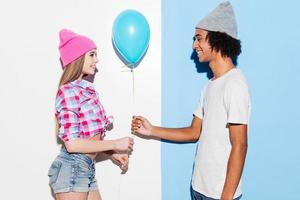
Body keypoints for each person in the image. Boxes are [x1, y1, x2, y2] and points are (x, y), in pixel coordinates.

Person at [132, 2, 251, 200]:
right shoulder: (210, 86)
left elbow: (240, 144)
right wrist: (152, 130)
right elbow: (193, 132)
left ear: (218, 39)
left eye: (199, 39)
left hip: (219, 194)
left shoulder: (235, 83)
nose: (194, 45)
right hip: (199, 188)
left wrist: (226, 197)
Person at [48, 29, 134, 200]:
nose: (97, 60)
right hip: (72, 169)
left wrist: (112, 153)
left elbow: (88, 138)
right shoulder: (68, 92)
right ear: (78, 58)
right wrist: (115, 144)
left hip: (85, 168)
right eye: (92, 55)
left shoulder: (86, 91)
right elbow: (72, 144)